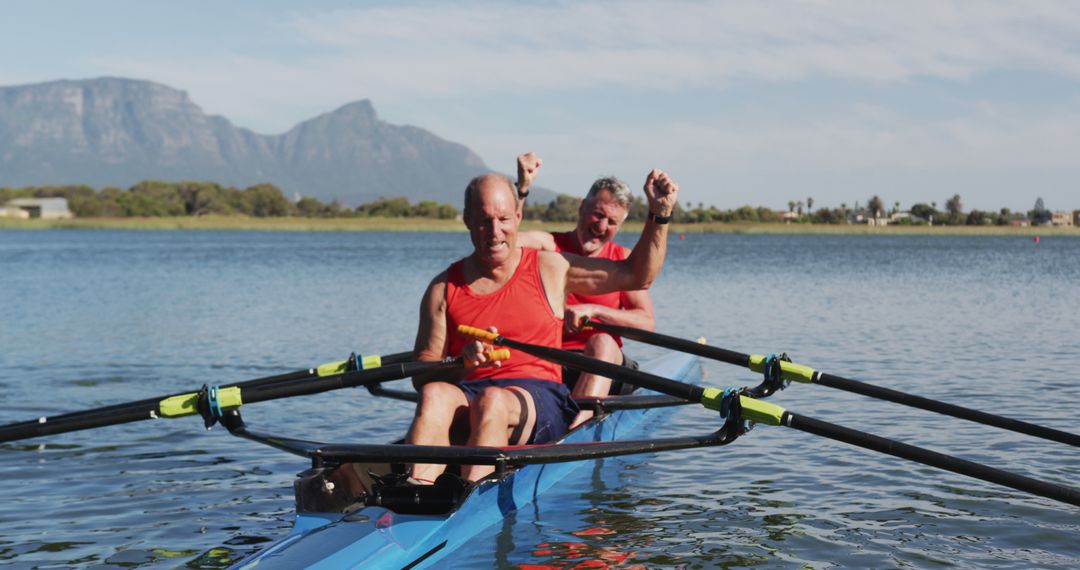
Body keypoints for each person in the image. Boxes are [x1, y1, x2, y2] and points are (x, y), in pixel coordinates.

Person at [406, 167, 678, 484]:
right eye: (483, 220)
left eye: (504, 219)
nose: (495, 231)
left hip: (541, 397)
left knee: (492, 401)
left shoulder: (550, 266)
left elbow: (638, 276)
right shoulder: (442, 288)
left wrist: (659, 215)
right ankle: (416, 496)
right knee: (434, 394)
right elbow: (421, 373)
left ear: (517, 218)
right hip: (471, 391)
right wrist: (459, 364)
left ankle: (468, 498)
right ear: (467, 220)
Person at [515, 152, 656, 427]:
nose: (602, 227)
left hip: (606, 365)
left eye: (612, 222)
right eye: (597, 215)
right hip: (551, 363)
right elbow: (505, 242)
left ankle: (574, 429)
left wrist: (594, 311)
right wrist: (522, 189)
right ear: (582, 208)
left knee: (601, 341)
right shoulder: (549, 246)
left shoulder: (622, 260)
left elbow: (646, 322)